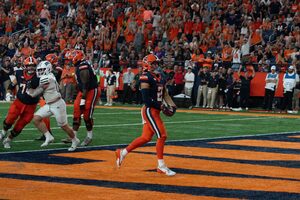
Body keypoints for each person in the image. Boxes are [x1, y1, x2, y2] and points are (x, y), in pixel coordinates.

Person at [115, 54, 176, 176]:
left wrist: (172, 105)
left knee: (146, 137)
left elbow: (165, 94)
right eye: (153, 63)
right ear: (147, 64)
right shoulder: (145, 77)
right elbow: (146, 100)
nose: (155, 65)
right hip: (149, 110)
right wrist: (161, 106)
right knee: (162, 135)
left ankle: (122, 152)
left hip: (155, 110)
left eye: (156, 63)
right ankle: (161, 166)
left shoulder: (159, 76)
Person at [27, 61, 80, 151]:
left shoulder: (47, 78)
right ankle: (48, 136)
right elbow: (35, 92)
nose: (41, 71)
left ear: (48, 69)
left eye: (43, 69)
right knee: (36, 118)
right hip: (49, 104)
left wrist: (29, 87)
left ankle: (75, 140)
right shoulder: (48, 76)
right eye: (39, 70)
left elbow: (35, 92)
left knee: (63, 126)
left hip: (57, 104)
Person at [62, 50, 100, 146]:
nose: (70, 61)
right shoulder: (80, 65)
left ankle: (89, 136)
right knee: (76, 111)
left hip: (90, 90)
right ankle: (73, 136)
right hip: (83, 90)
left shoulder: (83, 66)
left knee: (87, 114)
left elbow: (86, 84)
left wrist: (83, 100)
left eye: (71, 59)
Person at [0, 57, 40, 148]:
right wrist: (8, 93)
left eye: (33, 66)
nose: (31, 68)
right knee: (9, 119)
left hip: (31, 106)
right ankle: (3, 132)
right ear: (25, 66)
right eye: (29, 66)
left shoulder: (39, 77)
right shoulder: (19, 73)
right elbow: (12, 84)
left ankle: (8, 140)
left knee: (20, 126)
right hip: (19, 102)